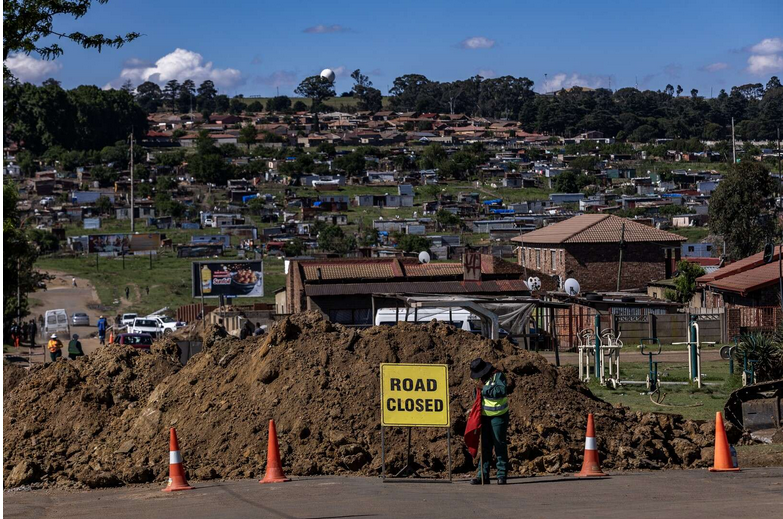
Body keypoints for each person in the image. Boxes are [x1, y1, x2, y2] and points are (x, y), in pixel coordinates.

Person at [470, 358, 509, 485]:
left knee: (499, 444)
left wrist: (485, 388)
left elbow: (502, 391)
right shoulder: (480, 379)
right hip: (485, 417)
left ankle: (501, 474)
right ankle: (482, 475)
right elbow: (477, 395)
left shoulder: (498, 375)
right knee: (485, 447)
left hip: (498, 416)